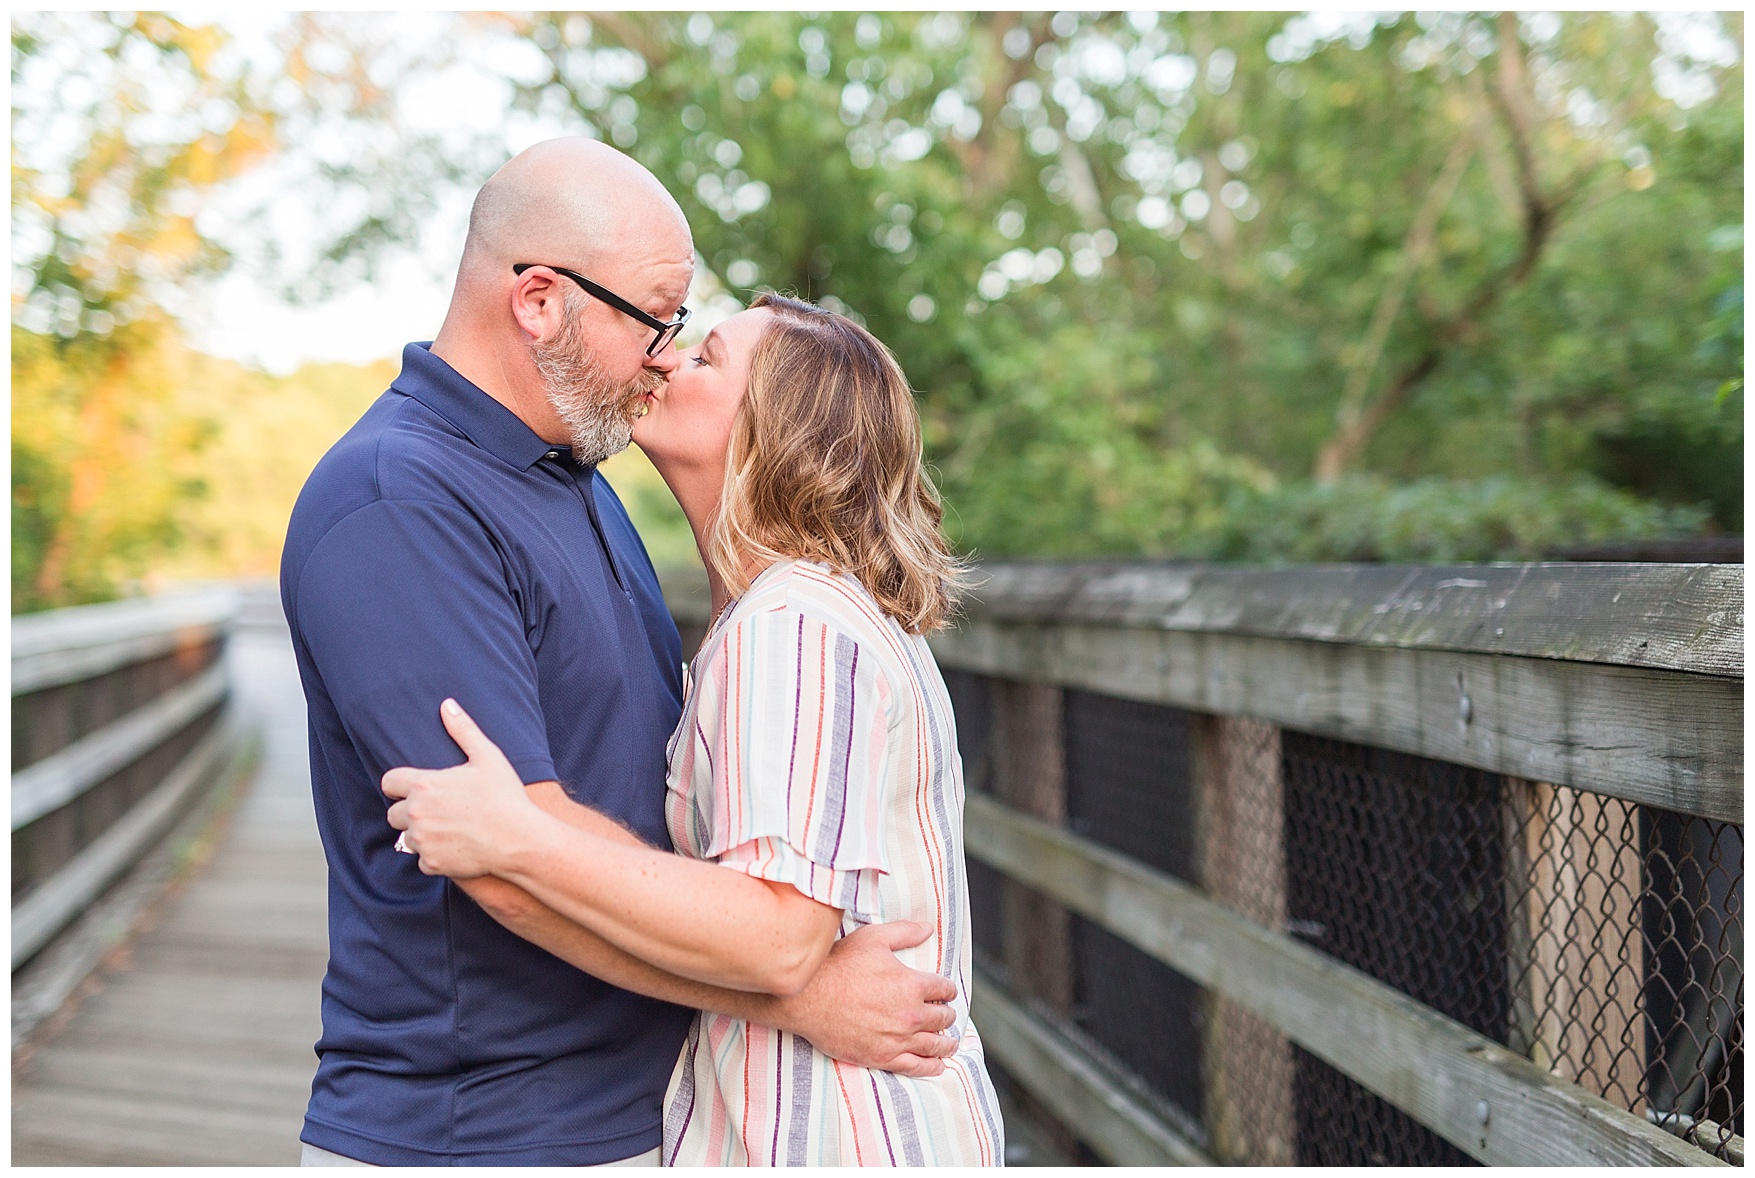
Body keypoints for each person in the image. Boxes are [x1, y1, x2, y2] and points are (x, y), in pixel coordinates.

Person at [280, 140, 959, 1168]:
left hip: (639, 1108)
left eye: (687, 331)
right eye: (655, 316)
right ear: (541, 301)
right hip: (490, 1131)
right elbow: (508, 865)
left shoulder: (579, 482)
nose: (665, 352)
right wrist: (800, 989)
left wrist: (782, 973)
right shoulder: (400, 500)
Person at [383, 294, 1006, 1165]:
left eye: (707, 358)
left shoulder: (793, 628)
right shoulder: (786, 617)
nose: (667, 359)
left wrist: (516, 835)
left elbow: (777, 938)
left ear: (775, 432)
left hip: (830, 1134)